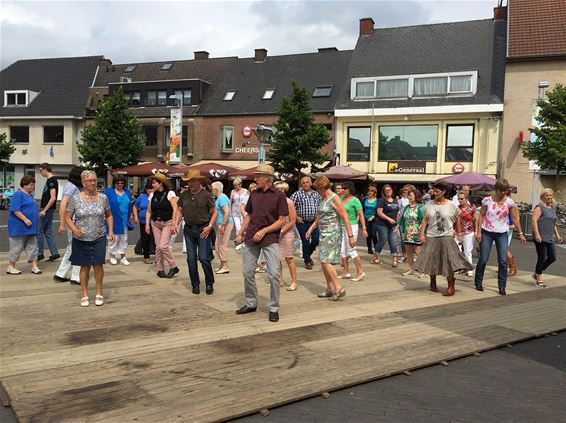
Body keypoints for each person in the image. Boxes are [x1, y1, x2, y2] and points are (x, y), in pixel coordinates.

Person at [235, 164, 289, 322]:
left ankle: (274, 308)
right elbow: (248, 216)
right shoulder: (254, 194)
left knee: (273, 274)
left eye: (258, 176)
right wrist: (240, 233)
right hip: (251, 237)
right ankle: (251, 303)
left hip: (269, 238)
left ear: (267, 178)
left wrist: (264, 231)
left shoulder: (279, 196)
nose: (255, 178)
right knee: (247, 272)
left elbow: (282, 221)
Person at [65, 170, 114, 307]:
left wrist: (110, 230)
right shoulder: (75, 199)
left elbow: (109, 215)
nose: (93, 183)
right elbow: (67, 217)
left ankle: (99, 292)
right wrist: (74, 229)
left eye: (95, 180)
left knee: (98, 265)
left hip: (99, 235)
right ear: (83, 182)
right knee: (84, 266)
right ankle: (84, 294)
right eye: (90, 180)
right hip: (81, 237)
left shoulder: (103, 198)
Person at [415, 182, 472, 296]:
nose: (434, 193)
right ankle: (433, 281)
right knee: (432, 260)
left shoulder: (451, 205)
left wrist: (460, 233)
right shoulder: (429, 204)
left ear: (444, 192)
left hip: (447, 235)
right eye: (433, 191)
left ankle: (451, 286)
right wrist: (422, 234)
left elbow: (458, 220)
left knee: (449, 261)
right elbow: (425, 220)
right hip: (431, 235)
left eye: (437, 191)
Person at [474, 179, 527, 295]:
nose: (502, 193)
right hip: (487, 232)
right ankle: (478, 282)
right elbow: (481, 216)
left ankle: (502, 286)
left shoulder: (509, 202)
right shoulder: (487, 200)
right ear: (496, 189)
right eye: (500, 191)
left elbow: (515, 218)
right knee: (483, 258)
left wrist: (521, 233)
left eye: (505, 191)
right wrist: (478, 232)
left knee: (503, 261)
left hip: (502, 233)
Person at [306, 176, 354, 301]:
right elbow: (319, 216)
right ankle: (330, 288)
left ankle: (338, 288)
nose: (317, 191)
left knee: (326, 261)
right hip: (324, 233)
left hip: (333, 233)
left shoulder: (335, 198)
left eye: (318, 189)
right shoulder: (324, 199)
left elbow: (345, 217)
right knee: (323, 261)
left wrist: (351, 236)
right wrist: (311, 228)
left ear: (323, 187)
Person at [175, 169, 217, 295]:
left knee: (203, 257)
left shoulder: (206, 195)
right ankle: (195, 284)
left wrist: (210, 226)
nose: (190, 183)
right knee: (191, 259)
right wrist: (175, 224)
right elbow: (179, 210)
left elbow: (214, 212)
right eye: (189, 181)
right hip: (189, 229)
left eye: (193, 181)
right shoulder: (184, 195)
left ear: (199, 182)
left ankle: (209, 282)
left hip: (203, 229)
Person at [54, 166, 85, 284]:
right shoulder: (72, 187)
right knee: (78, 248)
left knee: (71, 248)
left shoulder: (73, 186)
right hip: (73, 222)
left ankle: (61, 273)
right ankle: (76, 276)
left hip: (74, 221)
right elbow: (63, 205)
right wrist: (62, 223)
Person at [146, 173, 179, 278]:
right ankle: (160, 269)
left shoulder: (170, 193)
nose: (153, 185)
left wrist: (174, 223)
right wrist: (147, 224)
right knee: (158, 247)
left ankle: (173, 266)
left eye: (155, 183)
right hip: (155, 223)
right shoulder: (152, 195)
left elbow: (175, 209)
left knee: (163, 245)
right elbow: (149, 211)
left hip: (167, 222)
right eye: (153, 183)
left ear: (161, 183)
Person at [7, 175, 41, 275]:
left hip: (31, 227)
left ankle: (34, 266)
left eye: (34, 185)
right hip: (19, 226)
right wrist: (25, 219)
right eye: (31, 185)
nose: (33, 187)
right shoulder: (18, 194)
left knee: (33, 246)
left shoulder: (30, 196)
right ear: (24, 185)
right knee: (16, 247)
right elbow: (15, 209)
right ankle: (11, 266)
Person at [531, 188, 563, 287]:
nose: (549, 197)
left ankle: (537, 272)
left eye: (550, 195)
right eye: (546, 195)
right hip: (541, 236)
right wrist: (537, 234)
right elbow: (533, 220)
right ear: (543, 197)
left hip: (550, 237)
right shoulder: (540, 207)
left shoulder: (552, 208)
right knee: (542, 257)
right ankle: (539, 279)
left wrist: (557, 235)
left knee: (552, 257)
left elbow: (553, 223)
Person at [338, 181, 367, 281]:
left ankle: (360, 271)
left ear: (349, 190)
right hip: (342, 226)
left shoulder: (355, 200)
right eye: (341, 188)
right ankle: (346, 271)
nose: (342, 190)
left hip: (352, 226)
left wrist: (364, 228)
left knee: (351, 249)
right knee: (342, 250)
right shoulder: (341, 198)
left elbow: (361, 215)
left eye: (344, 189)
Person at [291, 175, 321, 270]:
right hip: (302, 222)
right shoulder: (297, 194)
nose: (305, 184)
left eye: (307, 182)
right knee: (305, 242)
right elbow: (290, 207)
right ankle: (307, 260)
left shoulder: (316, 194)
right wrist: (296, 217)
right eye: (303, 183)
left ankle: (306, 254)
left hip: (314, 222)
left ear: (311, 183)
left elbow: (320, 206)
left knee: (316, 240)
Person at [274, 181, 298, 291]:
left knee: (289, 258)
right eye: (278, 189)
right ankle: (280, 280)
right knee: (276, 257)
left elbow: (292, 221)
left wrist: (283, 230)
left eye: (282, 189)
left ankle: (294, 282)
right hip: (276, 231)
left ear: (285, 190)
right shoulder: (274, 202)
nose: (280, 191)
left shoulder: (289, 202)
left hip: (287, 232)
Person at [104, 175, 133, 266]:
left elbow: (130, 205)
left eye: (122, 183)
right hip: (113, 218)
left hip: (124, 219)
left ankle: (123, 257)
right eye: (117, 183)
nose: (120, 185)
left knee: (124, 239)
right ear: (114, 183)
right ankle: (112, 255)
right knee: (113, 238)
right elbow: (104, 205)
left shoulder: (127, 192)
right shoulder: (109, 192)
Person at [398, 186, 425, 276]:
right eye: (408, 195)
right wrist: (397, 227)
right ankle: (411, 269)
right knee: (408, 250)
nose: (409, 197)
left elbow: (424, 220)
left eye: (411, 195)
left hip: (417, 232)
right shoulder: (406, 207)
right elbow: (402, 218)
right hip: (407, 232)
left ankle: (423, 270)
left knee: (418, 251)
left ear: (416, 196)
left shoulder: (420, 207)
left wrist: (422, 233)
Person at [37, 163, 60, 261]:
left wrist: (44, 210)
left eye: (40, 170)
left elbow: (53, 197)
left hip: (47, 209)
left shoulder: (52, 181)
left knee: (39, 231)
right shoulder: (50, 180)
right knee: (48, 231)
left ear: (45, 169)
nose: (40, 172)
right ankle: (54, 253)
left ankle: (39, 253)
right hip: (48, 209)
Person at [373, 184, 400, 266]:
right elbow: (379, 213)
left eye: (390, 190)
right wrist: (389, 219)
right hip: (382, 224)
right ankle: (376, 256)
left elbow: (397, 212)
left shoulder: (395, 200)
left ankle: (394, 259)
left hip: (393, 225)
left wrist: (397, 221)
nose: (389, 191)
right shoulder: (382, 200)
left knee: (393, 241)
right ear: (384, 192)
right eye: (386, 190)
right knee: (382, 240)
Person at [211, 181, 233, 274]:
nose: (211, 190)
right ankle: (222, 265)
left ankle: (224, 266)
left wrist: (223, 225)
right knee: (217, 245)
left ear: (216, 189)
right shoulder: (220, 198)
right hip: (222, 224)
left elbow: (227, 212)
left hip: (225, 224)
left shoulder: (222, 198)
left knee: (222, 245)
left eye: (212, 189)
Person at [455, 190, 477, 277]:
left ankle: (469, 268)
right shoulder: (457, 208)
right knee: (456, 250)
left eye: (461, 199)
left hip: (469, 232)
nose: (460, 200)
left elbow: (476, 220)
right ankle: (458, 267)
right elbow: (457, 221)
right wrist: (459, 233)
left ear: (466, 199)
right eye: (458, 199)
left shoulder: (472, 208)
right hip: (458, 232)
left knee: (468, 251)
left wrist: (476, 231)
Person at [133, 181, 155, 265]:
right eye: (148, 188)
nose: (149, 190)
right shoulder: (142, 197)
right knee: (145, 239)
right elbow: (135, 206)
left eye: (151, 188)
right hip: (143, 221)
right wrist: (135, 216)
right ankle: (146, 257)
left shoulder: (156, 196)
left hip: (154, 221)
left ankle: (159, 257)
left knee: (156, 240)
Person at [230, 177, 249, 251]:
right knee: (238, 228)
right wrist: (230, 213)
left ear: (240, 184)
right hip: (235, 212)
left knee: (244, 228)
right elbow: (230, 202)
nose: (235, 187)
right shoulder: (233, 192)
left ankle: (244, 242)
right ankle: (239, 243)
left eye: (236, 185)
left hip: (244, 212)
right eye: (234, 185)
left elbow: (248, 202)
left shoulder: (246, 191)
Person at [363, 184, 378, 255]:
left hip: (374, 219)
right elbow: (361, 210)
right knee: (368, 235)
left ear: (374, 192)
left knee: (373, 234)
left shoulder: (377, 200)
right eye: (369, 191)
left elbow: (378, 211)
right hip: (365, 219)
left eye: (372, 191)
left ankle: (376, 247)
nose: (370, 192)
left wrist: (372, 217)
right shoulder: (364, 200)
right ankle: (369, 248)